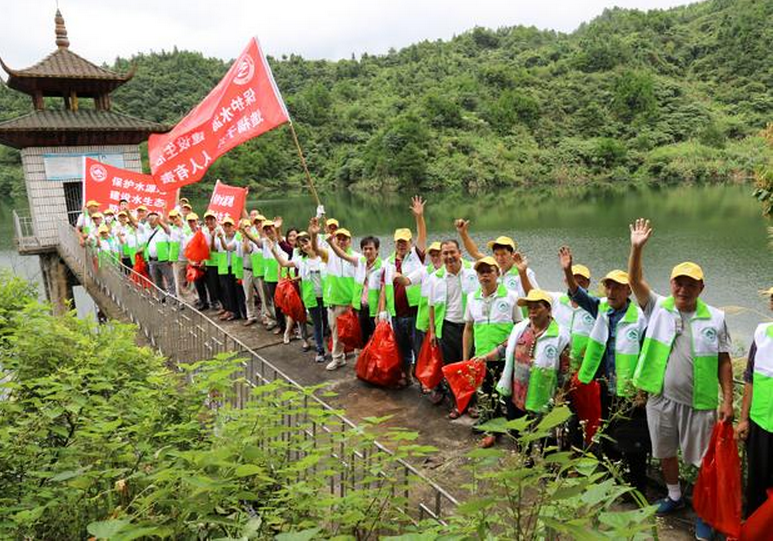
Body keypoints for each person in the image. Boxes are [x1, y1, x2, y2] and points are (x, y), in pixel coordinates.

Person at [628, 218, 733, 540]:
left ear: (701, 288)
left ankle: (703, 511)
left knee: (703, 461)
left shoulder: (715, 317)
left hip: (699, 403)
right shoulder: (658, 306)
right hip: (660, 398)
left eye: (690, 284)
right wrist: (636, 248)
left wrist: (728, 400)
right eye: (678, 283)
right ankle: (674, 496)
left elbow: (724, 360)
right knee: (665, 451)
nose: (683, 289)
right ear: (671, 284)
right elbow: (634, 280)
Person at [561, 245, 649, 494]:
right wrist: (568, 271)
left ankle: (636, 489)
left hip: (627, 390)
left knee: (632, 441)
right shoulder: (600, 307)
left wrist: (642, 390)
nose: (610, 291)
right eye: (608, 286)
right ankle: (613, 481)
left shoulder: (640, 318)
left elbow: (646, 355)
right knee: (608, 435)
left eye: (617, 287)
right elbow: (577, 294)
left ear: (627, 290)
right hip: (601, 385)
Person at [463, 256, 523, 447]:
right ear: (477, 276)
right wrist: (466, 359)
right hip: (482, 356)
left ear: (498, 273)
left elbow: (519, 327)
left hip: (506, 356)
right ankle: (493, 430)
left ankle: (516, 431)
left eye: (489, 271)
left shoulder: (511, 296)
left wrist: (508, 347)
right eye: (481, 272)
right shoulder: (472, 298)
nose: (485, 275)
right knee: (488, 393)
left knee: (510, 395)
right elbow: (468, 328)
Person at [493, 289, 571, 427]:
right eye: (530, 307)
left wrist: (561, 395)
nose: (532, 311)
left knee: (538, 435)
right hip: (516, 394)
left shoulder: (561, 336)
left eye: (537, 307)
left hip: (541, 395)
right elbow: (505, 348)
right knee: (516, 430)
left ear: (548, 309)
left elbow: (564, 371)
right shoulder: (520, 329)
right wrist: (483, 358)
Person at [427, 239, 480, 416]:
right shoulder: (436, 278)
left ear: (460, 253)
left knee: (470, 366)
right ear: (441, 256)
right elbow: (432, 305)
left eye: (452, 252)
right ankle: (457, 404)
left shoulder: (473, 270)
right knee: (451, 368)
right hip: (447, 327)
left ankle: (472, 404)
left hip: (469, 327)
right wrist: (433, 331)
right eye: (445, 253)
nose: (449, 257)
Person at [380, 196, 428, 384]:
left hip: (415, 310)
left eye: (405, 241)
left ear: (410, 242)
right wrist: (382, 310)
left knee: (419, 347)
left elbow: (422, 235)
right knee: (402, 348)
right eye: (399, 241)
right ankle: (407, 376)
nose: (401, 244)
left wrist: (419, 217)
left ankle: (424, 382)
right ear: (394, 242)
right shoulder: (388, 261)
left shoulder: (416, 255)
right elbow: (385, 287)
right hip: (396, 313)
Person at [736, 286, 773, 519]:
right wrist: (743, 419)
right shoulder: (761, 334)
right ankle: (753, 531)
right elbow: (749, 378)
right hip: (760, 424)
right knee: (757, 485)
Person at [270, 222, 330, 358]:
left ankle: (335, 350)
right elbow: (284, 263)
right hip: (311, 298)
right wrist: (273, 250)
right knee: (317, 325)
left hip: (327, 297)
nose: (305, 246)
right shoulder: (301, 261)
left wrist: (314, 233)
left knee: (330, 324)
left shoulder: (324, 257)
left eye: (306, 243)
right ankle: (320, 351)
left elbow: (317, 241)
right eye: (302, 245)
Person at [455, 221, 540, 302]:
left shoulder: (525, 272)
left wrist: (523, 274)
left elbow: (536, 297)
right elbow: (475, 252)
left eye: (503, 254)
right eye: (496, 254)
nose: (499, 258)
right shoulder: (493, 268)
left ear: (512, 254)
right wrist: (463, 233)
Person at [316, 226, 362, 371]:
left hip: (351, 303)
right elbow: (315, 250)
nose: (342, 241)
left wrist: (331, 243)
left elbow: (342, 255)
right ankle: (338, 358)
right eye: (339, 238)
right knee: (336, 333)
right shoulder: (329, 255)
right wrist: (313, 235)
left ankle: (359, 360)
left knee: (355, 333)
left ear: (350, 241)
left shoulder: (358, 257)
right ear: (335, 239)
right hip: (334, 301)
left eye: (344, 239)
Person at [354, 236, 383, 346]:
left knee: (377, 340)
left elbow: (383, 292)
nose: (367, 251)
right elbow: (343, 255)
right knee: (363, 339)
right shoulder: (361, 263)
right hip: (362, 307)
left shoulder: (383, 266)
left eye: (371, 248)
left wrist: (379, 313)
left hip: (375, 310)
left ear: (377, 250)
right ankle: (365, 361)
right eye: (365, 249)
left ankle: (376, 363)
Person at [216, 216, 243, 321]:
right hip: (226, 267)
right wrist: (220, 238)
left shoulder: (237, 237)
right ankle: (233, 311)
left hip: (236, 268)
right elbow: (222, 247)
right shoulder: (222, 237)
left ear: (233, 227)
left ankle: (240, 312)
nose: (227, 228)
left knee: (238, 292)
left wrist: (221, 238)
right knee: (229, 291)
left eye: (229, 226)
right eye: (225, 226)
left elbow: (228, 247)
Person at [143, 210, 175, 296]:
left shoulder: (163, 229)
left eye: (154, 218)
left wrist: (171, 257)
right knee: (157, 281)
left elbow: (170, 237)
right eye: (149, 218)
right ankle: (162, 297)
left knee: (170, 280)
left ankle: (173, 297)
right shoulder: (146, 230)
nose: (151, 220)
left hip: (164, 260)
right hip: (152, 261)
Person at [201, 211, 223, 311]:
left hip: (219, 262)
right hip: (209, 262)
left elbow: (216, 248)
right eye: (207, 219)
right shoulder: (204, 231)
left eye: (211, 219)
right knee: (211, 284)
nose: (209, 221)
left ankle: (223, 304)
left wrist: (213, 237)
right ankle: (215, 302)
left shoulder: (220, 230)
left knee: (221, 284)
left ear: (215, 220)